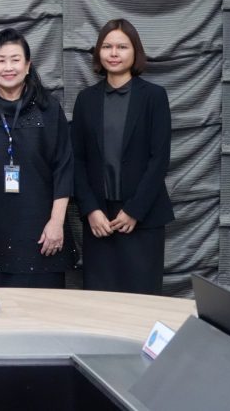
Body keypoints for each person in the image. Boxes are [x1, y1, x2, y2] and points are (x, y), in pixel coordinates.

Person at [0, 28, 75, 288]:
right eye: (1, 60)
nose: (8, 67)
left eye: (15, 59)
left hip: (43, 232)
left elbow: (63, 168)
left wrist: (56, 223)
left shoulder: (48, 108)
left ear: (28, 65)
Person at [72, 19, 173, 295]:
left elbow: (159, 160)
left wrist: (134, 211)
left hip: (143, 219)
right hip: (99, 221)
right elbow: (77, 161)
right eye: (107, 46)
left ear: (135, 52)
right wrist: (91, 210)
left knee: (142, 301)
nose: (113, 53)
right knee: (100, 302)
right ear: (99, 52)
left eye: (122, 47)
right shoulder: (85, 100)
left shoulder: (154, 97)